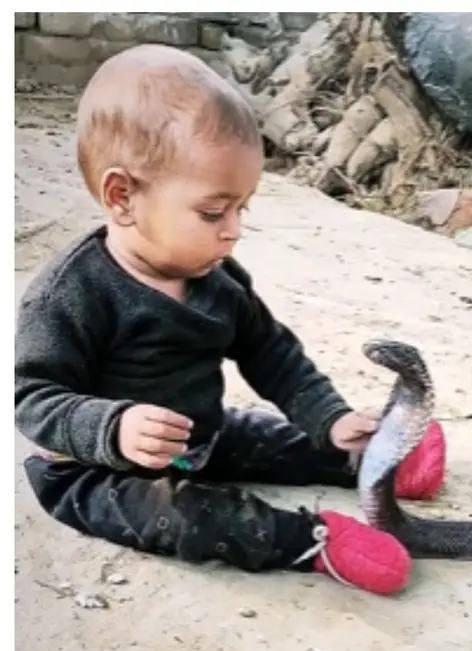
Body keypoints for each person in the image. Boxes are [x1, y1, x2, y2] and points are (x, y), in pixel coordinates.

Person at [13, 44, 446, 596]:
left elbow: (273, 354)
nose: (234, 229)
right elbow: (32, 396)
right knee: (190, 517)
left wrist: (329, 417)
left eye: (243, 208)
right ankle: (310, 540)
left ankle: (370, 463)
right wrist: (111, 427)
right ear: (122, 196)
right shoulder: (70, 295)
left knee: (273, 437)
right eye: (214, 212)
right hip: (95, 472)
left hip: (202, 434)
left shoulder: (220, 279)